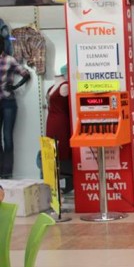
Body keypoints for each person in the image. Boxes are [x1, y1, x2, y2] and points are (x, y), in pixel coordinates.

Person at [0, 35, 30, 179]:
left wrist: (15, 86)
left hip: (8, 102)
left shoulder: (10, 60)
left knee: (7, 138)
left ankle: (7, 173)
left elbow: (26, 74)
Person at [45, 64, 72, 192]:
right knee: (52, 149)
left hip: (61, 122)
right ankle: (54, 182)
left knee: (62, 149)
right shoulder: (52, 87)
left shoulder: (65, 86)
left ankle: (68, 182)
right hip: (51, 121)